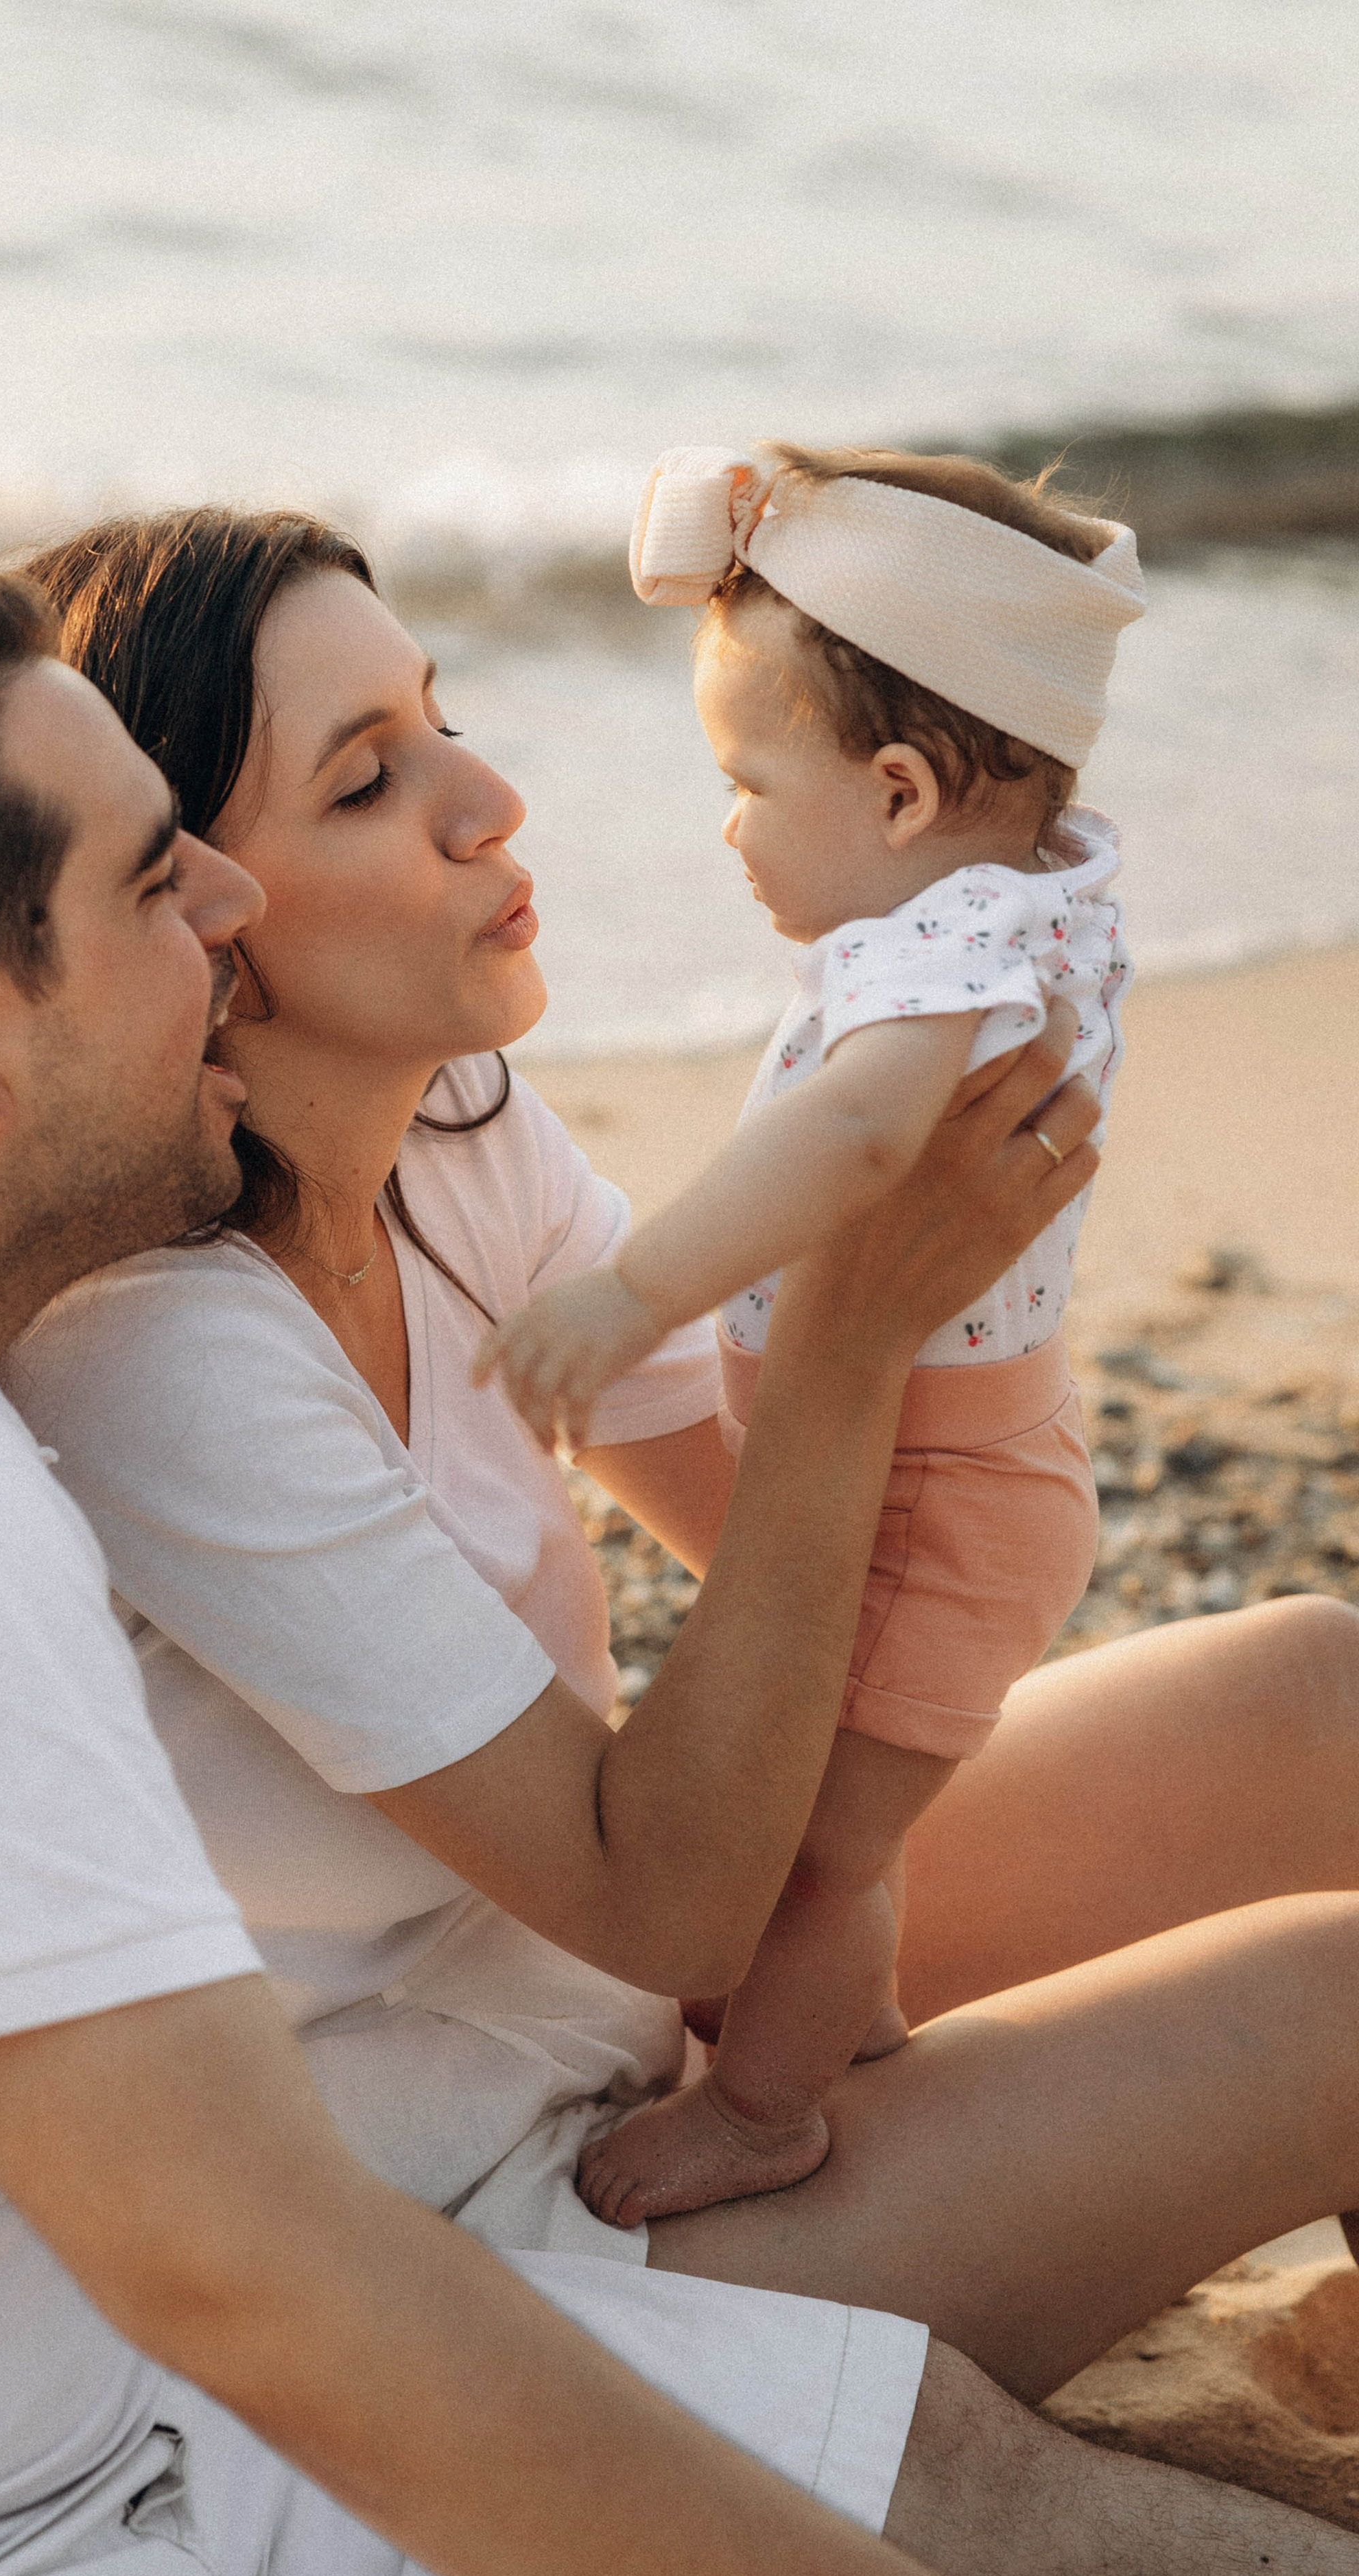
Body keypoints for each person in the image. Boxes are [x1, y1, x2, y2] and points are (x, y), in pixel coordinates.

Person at [0, 568, 1048, 2576]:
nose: (226, 908)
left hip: (97, 2421)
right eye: (150, 882)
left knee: (977, 2484)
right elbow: (258, 2275)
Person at [13, 505, 1359, 2576]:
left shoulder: (454, 1127)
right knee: (1338, 2013)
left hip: (635, 2010)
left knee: (1313, 1690)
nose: (490, 802)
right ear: (197, 919)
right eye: (371, 779)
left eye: (441, 719)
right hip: (506, 2219)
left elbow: (767, 1556)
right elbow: (677, 1885)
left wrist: (963, 1377)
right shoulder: (166, 1355)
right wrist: (844, 1338)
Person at [473, 442, 1139, 2228]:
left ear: (907, 792)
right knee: (826, 1818)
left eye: (748, 781)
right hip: (928, 1463)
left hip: (947, 1490)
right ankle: (840, 2024)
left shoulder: (961, 945)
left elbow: (851, 1143)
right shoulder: (1008, 893)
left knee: (831, 1847)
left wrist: (636, 1293)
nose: (729, 828)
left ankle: (770, 2106)